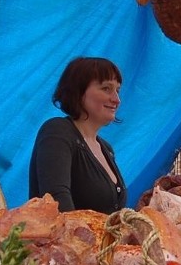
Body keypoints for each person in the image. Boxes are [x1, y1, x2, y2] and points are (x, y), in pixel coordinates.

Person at [29, 57, 127, 214]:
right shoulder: (58, 131)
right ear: (79, 92)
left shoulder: (106, 148)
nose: (117, 99)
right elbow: (56, 199)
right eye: (106, 88)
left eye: (118, 90)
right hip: (65, 238)